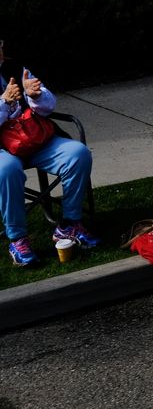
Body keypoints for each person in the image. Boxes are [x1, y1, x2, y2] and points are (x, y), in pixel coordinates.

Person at [0, 39, 98, 267]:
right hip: (4, 150)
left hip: (33, 138)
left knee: (77, 153)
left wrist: (34, 96)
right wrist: (4, 102)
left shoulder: (15, 66)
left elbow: (48, 104)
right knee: (7, 169)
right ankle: (18, 239)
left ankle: (69, 224)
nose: (1, 49)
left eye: (1, 42)